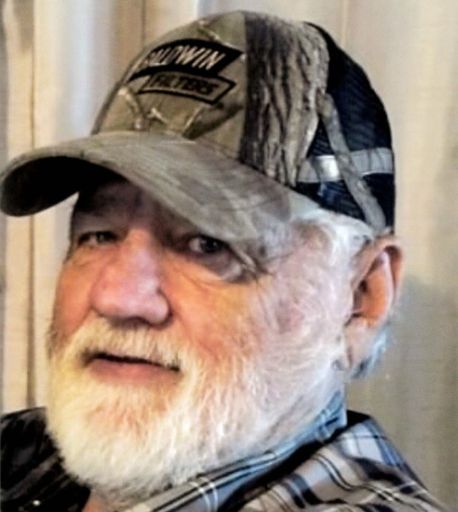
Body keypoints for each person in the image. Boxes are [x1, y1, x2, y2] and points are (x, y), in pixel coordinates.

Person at [0, 10, 448, 512]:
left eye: (207, 244)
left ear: (361, 297)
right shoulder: (20, 451)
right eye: (99, 235)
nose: (116, 297)